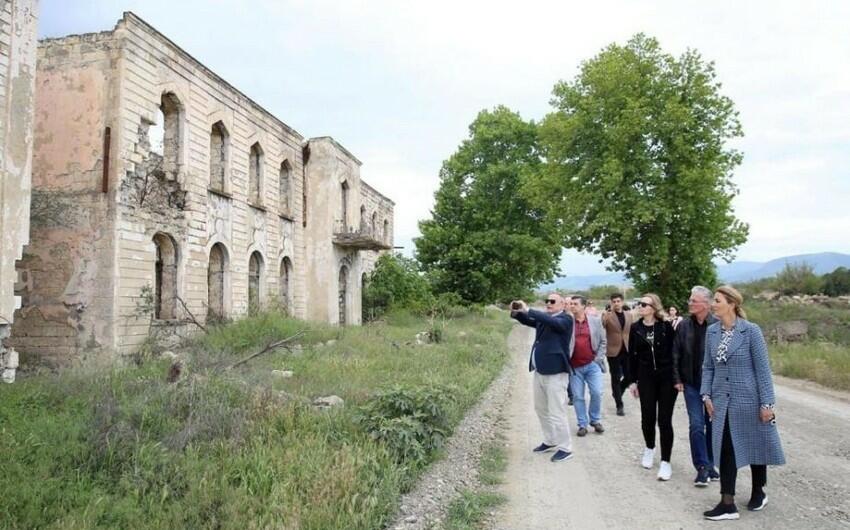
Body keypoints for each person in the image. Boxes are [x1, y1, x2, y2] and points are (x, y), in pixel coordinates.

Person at [701, 285, 786, 521]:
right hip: (721, 401)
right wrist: (706, 395)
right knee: (726, 448)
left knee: (754, 444)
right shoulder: (712, 332)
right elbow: (708, 367)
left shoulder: (751, 331)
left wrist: (767, 404)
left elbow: (763, 370)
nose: (713, 304)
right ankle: (727, 503)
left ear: (732, 304)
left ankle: (759, 491)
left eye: (717, 300)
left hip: (749, 399)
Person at [511, 294, 575, 463]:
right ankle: (550, 440)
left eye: (552, 301)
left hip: (556, 373)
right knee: (540, 408)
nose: (548, 303)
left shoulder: (566, 319)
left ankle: (565, 448)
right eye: (547, 301)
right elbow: (528, 321)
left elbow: (553, 323)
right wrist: (517, 312)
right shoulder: (546, 319)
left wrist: (529, 309)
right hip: (540, 371)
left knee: (557, 412)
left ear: (563, 304)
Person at [672, 286, 720, 487]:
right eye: (690, 300)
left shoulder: (718, 325)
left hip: (714, 386)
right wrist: (677, 378)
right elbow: (675, 353)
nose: (690, 303)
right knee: (696, 425)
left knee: (712, 425)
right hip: (691, 384)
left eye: (694, 300)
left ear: (706, 304)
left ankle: (710, 464)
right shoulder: (683, 326)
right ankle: (701, 467)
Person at [628, 293, 677, 481]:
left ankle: (666, 461)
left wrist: (677, 378)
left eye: (644, 304)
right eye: (639, 304)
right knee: (647, 417)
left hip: (666, 378)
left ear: (654, 308)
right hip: (645, 377)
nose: (640, 306)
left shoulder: (666, 327)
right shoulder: (635, 328)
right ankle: (649, 448)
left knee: (664, 420)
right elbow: (631, 356)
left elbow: (675, 353)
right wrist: (633, 381)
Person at [567, 295, 607, 436]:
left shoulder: (595, 321)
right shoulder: (567, 322)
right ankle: (582, 424)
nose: (572, 306)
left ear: (583, 306)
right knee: (578, 396)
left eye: (575, 304)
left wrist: (598, 359)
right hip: (574, 367)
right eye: (571, 304)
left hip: (592, 365)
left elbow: (603, 341)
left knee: (597, 392)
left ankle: (595, 420)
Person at [602, 292, 632, 416]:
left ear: (622, 302)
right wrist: (605, 315)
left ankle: (618, 391)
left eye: (618, 301)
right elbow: (602, 325)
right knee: (616, 377)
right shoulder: (608, 316)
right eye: (614, 302)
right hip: (613, 351)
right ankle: (619, 405)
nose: (616, 303)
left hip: (627, 350)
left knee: (630, 376)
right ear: (611, 303)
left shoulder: (629, 315)